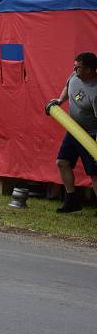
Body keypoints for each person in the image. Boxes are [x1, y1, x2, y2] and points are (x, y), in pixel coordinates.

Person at [48, 51, 97, 213]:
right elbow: (68, 86)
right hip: (73, 130)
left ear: (89, 70)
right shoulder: (75, 76)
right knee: (62, 162)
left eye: (79, 68)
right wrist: (60, 100)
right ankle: (72, 201)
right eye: (75, 67)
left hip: (90, 135)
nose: (75, 70)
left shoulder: (95, 92)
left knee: (94, 173)